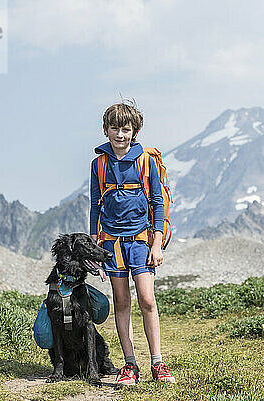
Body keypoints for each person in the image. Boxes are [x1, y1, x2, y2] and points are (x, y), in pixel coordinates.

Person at [89, 102, 176, 385]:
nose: (120, 134)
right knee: (122, 301)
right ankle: (130, 365)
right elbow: (95, 205)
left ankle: (157, 363)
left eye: (126, 129)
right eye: (114, 128)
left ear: (134, 131)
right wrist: (94, 244)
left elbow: (157, 203)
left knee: (147, 300)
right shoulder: (99, 164)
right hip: (111, 243)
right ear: (106, 129)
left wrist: (157, 243)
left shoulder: (145, 161)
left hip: (141, 241)